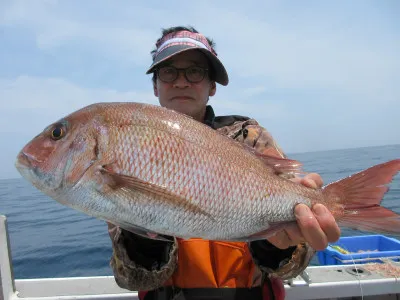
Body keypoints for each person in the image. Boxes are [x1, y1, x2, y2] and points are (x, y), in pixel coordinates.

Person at [107, 26, 341, 300]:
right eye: (168, 72)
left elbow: (292, 266)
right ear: (156, 86)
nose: (181, 82)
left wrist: (276, 245)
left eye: (195, 71)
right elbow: (132, 277)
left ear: (212, 85)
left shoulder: (249, 138)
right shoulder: (129, 147)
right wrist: (143, 236)